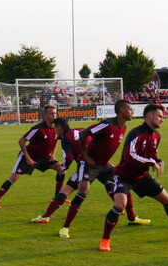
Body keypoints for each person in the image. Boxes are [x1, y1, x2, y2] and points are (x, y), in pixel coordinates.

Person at [99, 104, 168, 252]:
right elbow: (130, 156)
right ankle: (105, 240)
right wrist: (151, 162)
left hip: (142, 176)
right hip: (124, 176)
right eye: (160, 116)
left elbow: (153, 154)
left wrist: (159, 160)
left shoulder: (157, 136)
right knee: (119, 205)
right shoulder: (135, 133)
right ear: (150, 116)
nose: (163, 119)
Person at [31, 118, 149, 226]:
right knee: (120, 183)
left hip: (88, 166)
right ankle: (130, 217)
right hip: (101, 163)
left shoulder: (66, 138)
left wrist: (63, 168)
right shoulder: (81, 130)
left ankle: (46, 216)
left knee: (67, 190)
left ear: (59, 128)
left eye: (55, 129)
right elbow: (97, 141)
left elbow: (69, 158)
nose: (55, 132)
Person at [56, 100, 133, 239]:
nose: (132, 111)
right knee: (83, 191)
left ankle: (132, 219)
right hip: (89, 164)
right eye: (130, 109)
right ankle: (65, 227)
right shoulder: (107, 124)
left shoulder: (124, 127)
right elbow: (84, 133)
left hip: (105, 165)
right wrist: (85, 155)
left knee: (124, 182)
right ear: (121, 110)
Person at [0, 105, 63, 210]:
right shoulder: (38, 129)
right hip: (28, 156)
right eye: (51, 113)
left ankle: (57, 197)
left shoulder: (57, 127)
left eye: (55, 113)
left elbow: (56, 140)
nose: (54, 115)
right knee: (14, 177)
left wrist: (53, 154)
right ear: (45, 115)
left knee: (61, 169)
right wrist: (28, 158)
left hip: (44, 158)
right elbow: (21, 141)